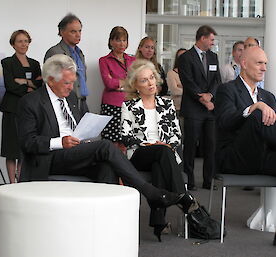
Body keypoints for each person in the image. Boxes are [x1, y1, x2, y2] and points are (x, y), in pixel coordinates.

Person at [16, 54, 208, 242]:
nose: (71, 87)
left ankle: (105, 225)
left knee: (107, 166)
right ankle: (150, 192)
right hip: (51, 157)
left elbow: (83, 125)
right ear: (50, 80)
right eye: (66, 83)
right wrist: (60, 142)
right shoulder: (30, 102)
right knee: (107, 147)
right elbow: (27, 142)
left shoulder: (72, 98)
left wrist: (87, 138)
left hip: (76, 153)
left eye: (72, 82)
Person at [121, 59, 213, 241]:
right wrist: (151, 145)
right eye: (144, 80)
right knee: (161, 152)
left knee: (159, 163)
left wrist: (163, 146)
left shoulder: (167, 105)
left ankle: (159, 223)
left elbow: (176, 136)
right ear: (135, 86)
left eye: (151, 78)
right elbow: (125, 137)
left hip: (164, 155)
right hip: (139, 154)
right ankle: (184, 199)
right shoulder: (129, 106)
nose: (150, 83)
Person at [215, 46, 276, 176]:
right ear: (244, 64)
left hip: (263, 156)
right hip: (235, 157)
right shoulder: (226, 90)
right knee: (258, 114)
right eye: (259, 63)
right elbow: (225, 122)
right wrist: (252, 108)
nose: (264, 68)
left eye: (265, 64)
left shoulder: (268, 97)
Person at [178, 25, 221, 190]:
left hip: (210, 110)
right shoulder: (186, 57)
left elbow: (217, 80)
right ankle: (189, 180)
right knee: (190, 146)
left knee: (210, 145)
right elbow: (188, 82)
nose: (212, 43)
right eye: (211, 39)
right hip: (193, 109)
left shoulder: (213, 57)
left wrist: (210, 95)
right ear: (202, 38)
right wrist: (202, 98)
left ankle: (208, 181)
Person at [0, 30, 42, 183]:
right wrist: (29, 87)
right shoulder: (7, 62)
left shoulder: (35, 64)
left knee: (26, 147)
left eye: (26, 41)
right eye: (20, 41)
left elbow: (39, 85)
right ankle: (12, 183)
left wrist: (24, 82)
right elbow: (10, 86)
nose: (23, 44)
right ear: (13, 44)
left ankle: (22, 181)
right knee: (11, 149)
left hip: (30, 110)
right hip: (12, 109)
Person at [44, 13, 88, 117]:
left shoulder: (79, 52)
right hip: (64, 101)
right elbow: (50, 81)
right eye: (73, 31)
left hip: (82, 101)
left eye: (79, 31)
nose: (78, 35)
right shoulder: (55, 52)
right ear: (62, 32)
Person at [99, 26, 135, 148]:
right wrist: (126, 83)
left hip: (130, 104)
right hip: (111, 105)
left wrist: (119, 83)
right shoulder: (104, 60)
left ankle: (124, 167)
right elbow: (108, 83)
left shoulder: (133, 60)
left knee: (127, 142)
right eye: (118, 40)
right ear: (111, 42)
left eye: (124, 40)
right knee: (112, 142)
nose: (122, 43)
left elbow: (135, 81)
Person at [167, 48, 186, 131]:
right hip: (178, 109)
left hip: (191, 109)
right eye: (180, 56)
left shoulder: (192, 72)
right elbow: (174, 90)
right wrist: (189, 90)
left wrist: (181, 87)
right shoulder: (171, 73)